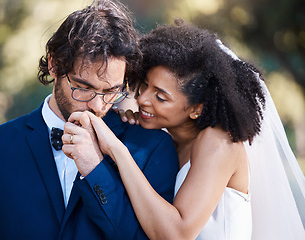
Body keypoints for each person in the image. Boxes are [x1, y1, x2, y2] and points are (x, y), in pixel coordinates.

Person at [0, 1, 179, 239]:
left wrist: (97, 171)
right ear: (54, 64)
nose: (97, 105)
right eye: (83, 87)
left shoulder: (153, 148)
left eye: (111, 92)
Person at [72, 20, 305, 239]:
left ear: (196, 109)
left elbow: (177, 233)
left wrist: (116, 149)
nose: (142, 99)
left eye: (160, 97)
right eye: (144, 85)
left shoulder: (219, 142)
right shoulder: (166, 143)